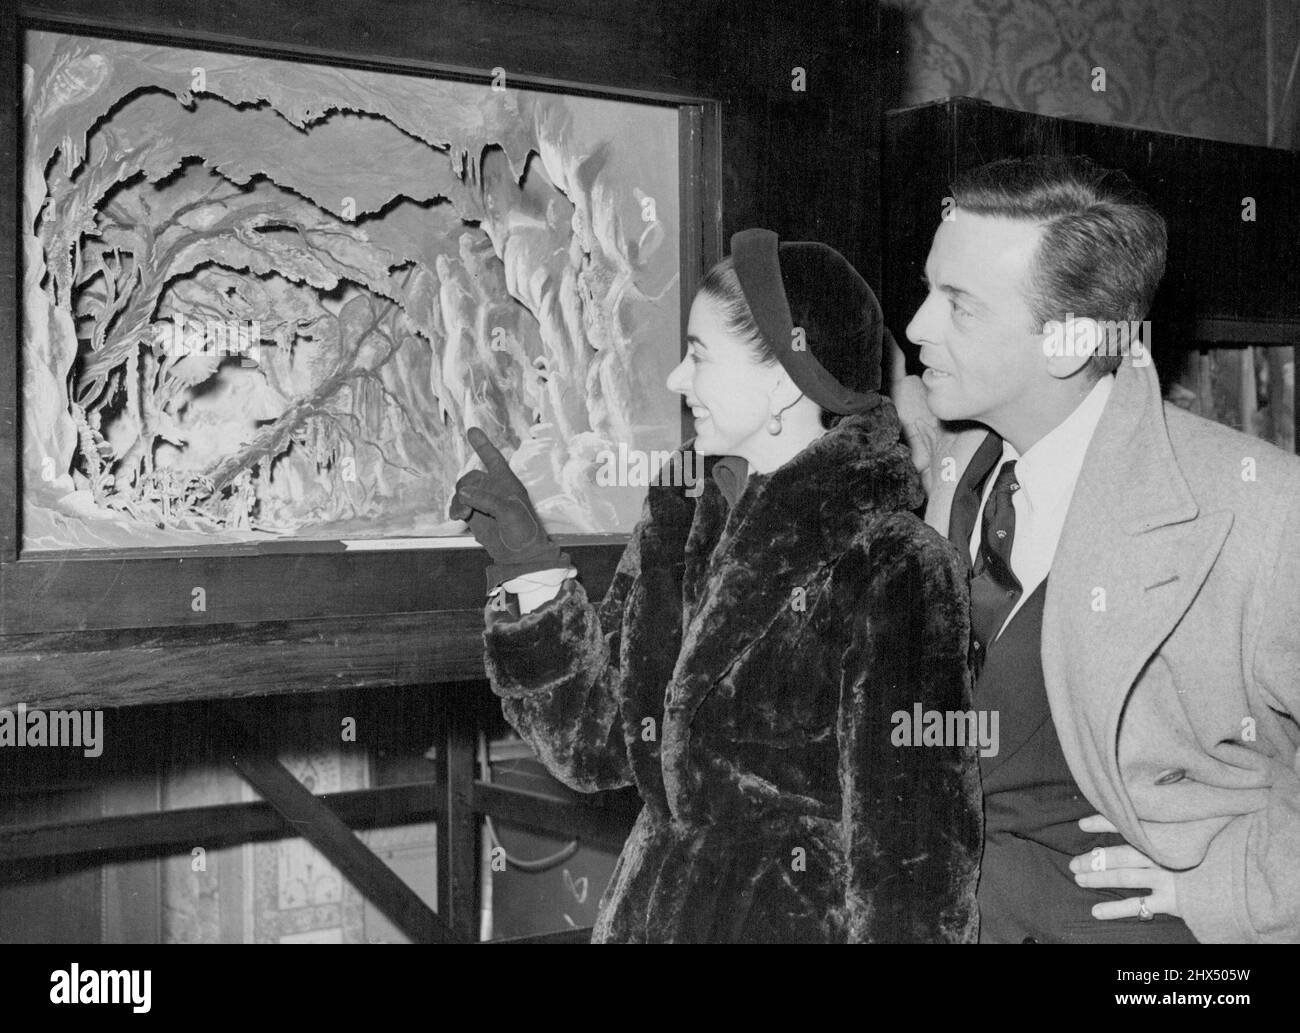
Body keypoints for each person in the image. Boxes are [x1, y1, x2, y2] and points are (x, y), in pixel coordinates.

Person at [450, 229, 982, 943]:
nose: (676, 380)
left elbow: (913, 869)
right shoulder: (681, 518)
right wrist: (532, 575)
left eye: (698, 354)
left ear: (780, 380)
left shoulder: (895, 568)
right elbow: (597, 745)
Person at [892, 154, 1300, 944]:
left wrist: (1237, 884)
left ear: (1070, 341)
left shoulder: (1260, 508)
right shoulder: (944, 464)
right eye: (927, 287)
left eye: (960, 306)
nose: (917, 326)